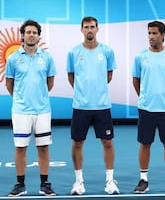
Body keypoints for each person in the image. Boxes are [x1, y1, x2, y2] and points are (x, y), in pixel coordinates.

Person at [66, 16, 119, 195]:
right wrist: (83, 93)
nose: (89, 30)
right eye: (86, 27)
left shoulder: (107, 51)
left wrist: (97, 91)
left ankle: (110, 181)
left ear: (97, 29)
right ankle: (78, 182)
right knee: (78, 143)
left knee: (108, 142)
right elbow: (71, 76)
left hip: (102, 106)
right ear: (81, 30)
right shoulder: (73, 52)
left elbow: (108, 75)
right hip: (80, 106)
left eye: (92, 27)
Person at [5, 19, 56, 197]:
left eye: (35, 32)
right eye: (28, 32)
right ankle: (20, 185)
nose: (31, 35)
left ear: (39, 36)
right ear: (23, 35)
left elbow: (50, 83)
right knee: (20, 148)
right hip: (20, 111)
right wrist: (21, 99)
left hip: (42, 110)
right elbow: (9, 83)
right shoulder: (13, 58)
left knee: (43, 147)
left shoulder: (47, 58)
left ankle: (45, 185)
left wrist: (38, 97)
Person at [132, 20, 165, 194]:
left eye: (154, 33)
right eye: (149, 33)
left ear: (162, 35)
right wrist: (146, 96)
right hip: (146, 109)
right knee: (145, 143)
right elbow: (136, 80)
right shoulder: (140, 56)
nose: (151, 37)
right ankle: (143, 180)